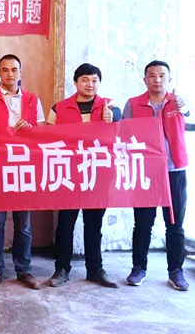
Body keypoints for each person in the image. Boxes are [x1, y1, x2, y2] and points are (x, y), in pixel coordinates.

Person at [47, 63, 121, 288]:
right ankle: (61, 269)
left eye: (95, 80)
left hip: (98, 175)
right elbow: (46, 136)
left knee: (94, 224)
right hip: (69, 174)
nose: (90, 84)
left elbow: (120, 117)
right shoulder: (59, 108)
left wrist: (113, 116)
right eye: (85, 80)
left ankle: (95, 270)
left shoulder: (108, 105)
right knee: (65, 224)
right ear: (76, 82)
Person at [0, 54, 44, 290]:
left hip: (24, 166)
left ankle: (24, 270)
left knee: (23, 223)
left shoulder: (32, 99)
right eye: (5, 70)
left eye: (14, 69)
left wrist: (31, 128)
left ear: (20, 72)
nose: (9, 74)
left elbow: (42, 130)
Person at [123, 60, 190, 291]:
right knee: (143, 222)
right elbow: (124, 132)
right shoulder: (133, 104)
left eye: (162, 75)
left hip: (174, 170)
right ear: (145, 80)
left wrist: (183, 105)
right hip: (145, 170)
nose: (157, 80)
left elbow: (188, 110)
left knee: (175, 223)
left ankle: (176, 271)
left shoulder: (177, 102)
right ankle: (138, 268)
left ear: (169, 79)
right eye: (152, 75)